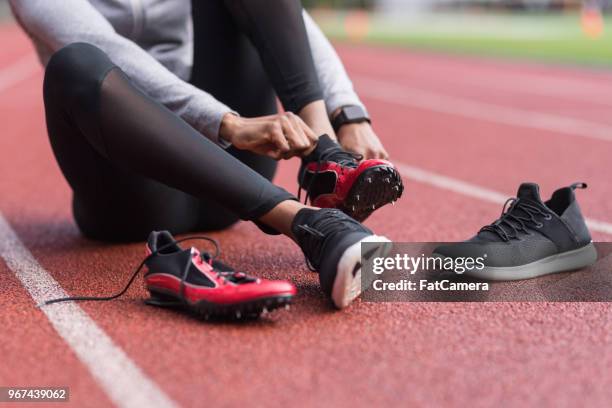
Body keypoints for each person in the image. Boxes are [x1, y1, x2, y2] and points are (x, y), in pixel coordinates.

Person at [10, 0, 403, 309]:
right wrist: (227, 123)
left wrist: (348, 113)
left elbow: (290, 24)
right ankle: (311, 226)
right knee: (74, 63)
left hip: (232, 164)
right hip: (134, 193)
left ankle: (326, 159)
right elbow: (109, 52)